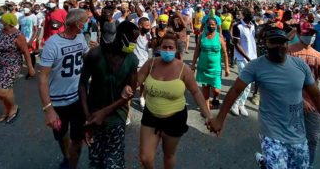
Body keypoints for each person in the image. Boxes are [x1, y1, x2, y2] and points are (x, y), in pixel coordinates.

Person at [207, 27, 320, 169]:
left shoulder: (300, 66)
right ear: (265, 44)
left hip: (298, 137)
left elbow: (318, 97)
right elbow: (235, 90)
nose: (278, 46)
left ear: (287, 44)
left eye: (282, 42)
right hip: (271, 135)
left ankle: (264, 162)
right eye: (273, 42)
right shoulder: (256, 66)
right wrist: (220, 119)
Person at [138, 32, 211, 169]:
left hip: (175, 119)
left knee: (169, 155)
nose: (167, 50)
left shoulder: (184, 69)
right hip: (150, 117)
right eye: (164, 47)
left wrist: (207, 115)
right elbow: (135, 81)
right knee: (145, 158)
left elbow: (195, 91)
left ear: (176, 50)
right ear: (159, 48)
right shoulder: (150, 64)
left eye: (171, 48)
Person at [79, 21, 139, 169]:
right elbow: (82, 84)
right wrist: (88, 117)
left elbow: (131, 92)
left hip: (116, 118)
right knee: (95, 161)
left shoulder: (132, 60)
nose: (134, 43)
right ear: (121, 36)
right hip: (93, 117)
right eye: (132, 39)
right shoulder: (95, 54)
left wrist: (104, 112)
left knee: (113, 163)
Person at [38, 9, 89, 169]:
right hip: (58, 101)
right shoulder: (53, 44)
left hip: (77, 97)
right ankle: (67, 156)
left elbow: (85, 56)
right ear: (78, 24)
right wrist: (48, 109)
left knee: (78, 138)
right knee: (60, 134)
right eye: (85, 22)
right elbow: (43, 77)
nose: (87, 25)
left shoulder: (80, 37)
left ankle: (72, 162)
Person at [288, 23, 320, 168]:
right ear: (298, 34)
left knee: (313, 138)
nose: (310, 36)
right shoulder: (289, 53)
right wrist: (300, 100)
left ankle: (307, 164)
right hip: (290, 103)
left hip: (313, 104)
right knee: (290, 138)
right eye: (306, 33)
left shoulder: (318, 56)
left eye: (312, 33)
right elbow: (284, 81)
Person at [0, 13, 35, 124]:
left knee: (3, 90)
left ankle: (13, 107)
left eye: (2, 22)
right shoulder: (2, 32)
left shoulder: (18, 35)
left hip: (11, 65)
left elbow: (25, 52)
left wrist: (30, 67)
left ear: (8, 23)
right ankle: (7, 109)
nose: (0, 23)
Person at [192, 17, 230, 111]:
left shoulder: (220, 37)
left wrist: (227, 68)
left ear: (216, 26)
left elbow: (225, 53)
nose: (211, 26)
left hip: (215, 68)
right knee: (205, 86)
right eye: (209, 24)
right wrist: (193, 64)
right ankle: (206, 109)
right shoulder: (202, 36)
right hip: (203, 67)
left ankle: (215, 98)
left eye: (213, 25)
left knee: (216, 90)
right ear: (206, 25)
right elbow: (197, 50)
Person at [230, 8, 257, 116]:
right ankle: (234, 104)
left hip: (253, 57)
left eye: (253, 13)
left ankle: (242, 104)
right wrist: (247, 57)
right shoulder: (238, 27)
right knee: (243, 82)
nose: (252, 15)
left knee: (249, 84)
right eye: (250, 13)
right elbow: (236, 44)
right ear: (244, 15)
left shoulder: (253, 26)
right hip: (242, 58)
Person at [18, 2, 38, 79]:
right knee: (21, 54)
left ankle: (31, 70)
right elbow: (20, 29)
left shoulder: (33, 17)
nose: (25, 8)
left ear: (30, 8)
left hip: (30, 39)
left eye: (27, 7)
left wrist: (31, 41)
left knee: (30, 55)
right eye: (24, 7)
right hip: (22, 39)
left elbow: (36, 30)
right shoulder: (20, 18)